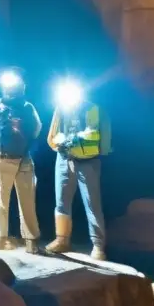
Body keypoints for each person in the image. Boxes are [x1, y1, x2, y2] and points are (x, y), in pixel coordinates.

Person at [0, 68, 42, 253]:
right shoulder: (26, 107)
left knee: (4, 202)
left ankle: (4, 240)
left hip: (4, 158)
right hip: (13, 157)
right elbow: (37, 130)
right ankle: (29, 242)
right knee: (23, 201)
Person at [46, 80, 107, 260]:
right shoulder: (61, 109)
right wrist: (61, 144)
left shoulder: (92, 109)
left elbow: (93, 133)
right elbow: (52, 135)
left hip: (88, 162)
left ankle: (98, 246)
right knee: (61, 202)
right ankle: (62, 239)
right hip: (64, 159)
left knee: (92, 204)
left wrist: (70, 139)